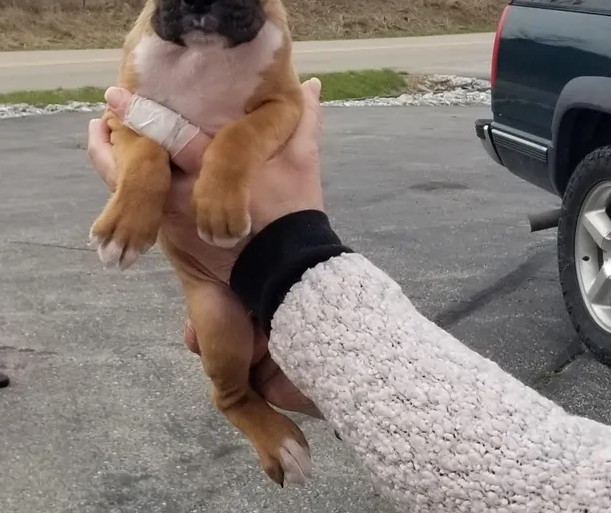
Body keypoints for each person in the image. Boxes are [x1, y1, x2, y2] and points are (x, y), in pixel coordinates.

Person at [87, 80, 611, 513]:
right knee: (217, 320)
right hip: (218, 286)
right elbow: (125, 127)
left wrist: (285, 258)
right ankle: (236, 397)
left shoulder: (257, 51)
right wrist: (143, 177)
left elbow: (282, 108)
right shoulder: (155, 55)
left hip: (294, 295)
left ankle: (241, 395)